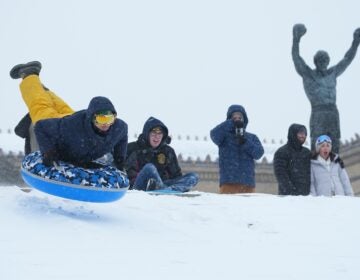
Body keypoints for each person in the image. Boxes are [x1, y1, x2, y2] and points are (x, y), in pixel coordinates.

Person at [10, 61, 128, 170]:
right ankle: (29, 74)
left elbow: (122, 138)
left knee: (60, 106)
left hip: (73, 120)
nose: (106, 124)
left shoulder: (119, 127)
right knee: (40, 106)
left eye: (110, 119)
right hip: (61, 126)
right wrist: (48, 152)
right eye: (101, 119)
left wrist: (120, 159)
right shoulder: (71, 128)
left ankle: (41, 89)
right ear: (92, 117)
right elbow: (41, 126)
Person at [292, 23, 360, 153]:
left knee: (334, 146)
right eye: (320, 60)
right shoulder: (308, 74)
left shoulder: (332, 73)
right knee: (318, 145)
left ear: (328, 61)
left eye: (325, 60)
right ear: (316, 62)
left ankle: (335, 170)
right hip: (318, 112)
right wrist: (296, 39)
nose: (323, 62)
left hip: (333, 113)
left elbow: (347, 58)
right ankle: (317, 170)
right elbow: (297, 59)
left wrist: (356, 42)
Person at [125, 117, 199, 192]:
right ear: (147, 134)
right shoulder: (132, 148)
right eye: (153, 133)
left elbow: (176, 176)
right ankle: (163, 190)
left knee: (193, 177)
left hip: (165, 185)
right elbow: (128, 174)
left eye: (160, 134)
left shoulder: (168, 151)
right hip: (140, 186)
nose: (157, 137)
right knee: (149, 168)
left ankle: (168, 191)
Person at [210, 105, 264, 194]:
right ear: (229, 119)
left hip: (247, 184)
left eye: (240, 117)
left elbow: (259, 153)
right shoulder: (224, 137)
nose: (237, 119)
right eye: (234, 117)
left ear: (244, 119)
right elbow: (214, 135)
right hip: (228, 183)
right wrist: (229, 123)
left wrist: (245, 141)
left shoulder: (251, 137)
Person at [273, 124, 311, 196]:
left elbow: (312, 173)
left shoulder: (307, 153)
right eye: (300, 133)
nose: (303, 136)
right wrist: (291, 192)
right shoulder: (282, 152)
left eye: (305, 133)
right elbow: (281, 175)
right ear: (293, 133)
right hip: (288, 198)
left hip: (306, 197)